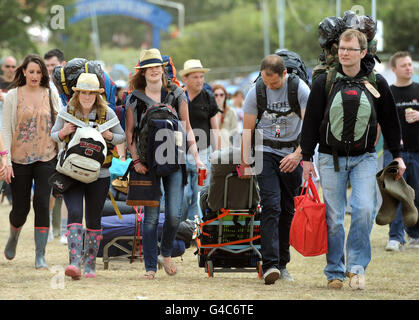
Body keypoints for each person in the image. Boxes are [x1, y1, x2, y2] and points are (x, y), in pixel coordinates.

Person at [300, 29, 406, 290]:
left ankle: (356, 267)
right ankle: (334, 270)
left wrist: (398, 156)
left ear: (363, 52)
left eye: (350, 49)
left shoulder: (377, 82)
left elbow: (390, 121)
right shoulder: (323, 82)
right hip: (328, 157)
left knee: (365, 209)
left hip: (365, 158)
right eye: (341, 49)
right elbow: (311, 122)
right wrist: (305, 158)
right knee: (334, 218)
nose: (345, 53)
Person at [125, 49, 206, 279]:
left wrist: (197, 158)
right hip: (147, 164)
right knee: (150, 218)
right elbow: (130, 133)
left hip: (174, 159)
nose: (153, 70)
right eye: (149, 67)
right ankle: (150, 267)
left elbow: (187, 127)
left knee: (174, 215)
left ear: (163, 69)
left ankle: (166, 252)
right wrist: (136, 161)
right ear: (142, 72)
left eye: (157, 66)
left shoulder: (177, 94)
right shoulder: (133, 98)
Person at [239, 54, 310, 285]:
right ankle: (269, 265)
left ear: (284, 74)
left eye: (275, 83)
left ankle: (282, 263)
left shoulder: (299, 89)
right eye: (266, 82)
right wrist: (244, 160)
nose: (270, 87)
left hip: (293, 151)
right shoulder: (256, 91)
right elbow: (248, 130)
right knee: (271, 204)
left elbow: (310, 129)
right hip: (265, 152)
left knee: (288, 209)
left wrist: (298, 155)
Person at [51, 72, 125, 279]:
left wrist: (110, 136)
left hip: (99, 174)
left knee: (93, 218)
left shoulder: (107, 113)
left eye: (91, 93)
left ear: (97, 94)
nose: (86, 96)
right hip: (71, 173)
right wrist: (64, 131)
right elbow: (53, 134)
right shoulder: (67, 111)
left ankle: (90, 264)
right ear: (77, 93)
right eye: (83, 92)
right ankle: (74, 262)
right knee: (74, 213)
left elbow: (121, 137)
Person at [2, 54, 62, 269]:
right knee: (20, 209)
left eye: (39, 72)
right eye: (31, 71)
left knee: (42, 204)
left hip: (47, 157)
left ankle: (40, 255)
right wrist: (5, 161)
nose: (35, 75)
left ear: (43, 74)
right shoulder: (12, 96)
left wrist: (62, 154)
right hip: (19, 159)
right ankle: (14, 235)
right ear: (24, 72)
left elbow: (59, 123)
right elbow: (5, 130)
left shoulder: (51, 93)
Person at [383, 51, 419, 251]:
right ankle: (395, 238)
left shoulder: (418, 89)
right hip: (393, 151)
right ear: (394, 69)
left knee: (417, 194)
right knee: (395, 194)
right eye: (403, 65)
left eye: (409, 64)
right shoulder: (388, 93)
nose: (408, 67)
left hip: (417, 151)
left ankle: (415, 235)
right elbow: (381, 122)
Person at [179, 59, 220, 221]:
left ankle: (194, 229)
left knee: (200, 193)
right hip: (180, 154)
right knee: (182, 194)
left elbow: (215, 129)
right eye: (195, 77)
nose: (199, 80)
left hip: (203, 153)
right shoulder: (178, 97)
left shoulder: (208, 98)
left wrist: (216, 155)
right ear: (186, 79)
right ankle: (180, 230)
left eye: (201, 76)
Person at [44, 48, 68, 244]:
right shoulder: (44, 87)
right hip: (50, 143)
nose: (50, 69)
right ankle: (50, 227)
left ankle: (65, 229)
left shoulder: (68, 86)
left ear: (63, 64)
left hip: (67, 145)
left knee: (68, 186)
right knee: (51, 187)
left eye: (53, 65)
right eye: (48, 66)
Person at [212, 84, 238, 148]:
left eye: (221, 95)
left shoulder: (231, 112)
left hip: (227, 148)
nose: (219, 97)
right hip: (213, 148)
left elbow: (235, 131)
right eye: (216, 95)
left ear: (225, 96)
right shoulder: (209, 113)